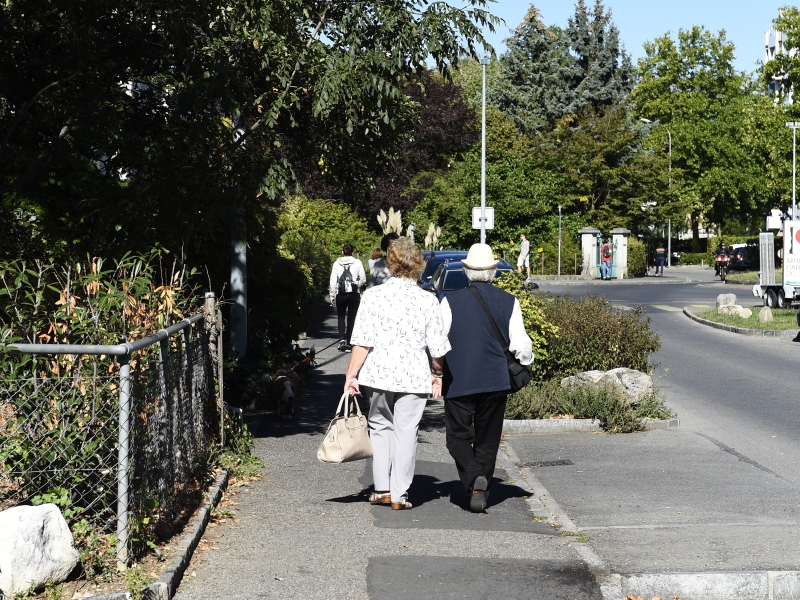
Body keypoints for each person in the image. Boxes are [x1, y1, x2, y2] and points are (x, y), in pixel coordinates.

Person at [344, 237, 451, 510]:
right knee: (407, 431)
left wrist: (351, 375)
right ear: (418, 264)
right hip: (413, 376)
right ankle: (400, 494)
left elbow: (362, 342)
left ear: (389, 262)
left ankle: (382, 490)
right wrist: (437, 374)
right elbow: (437, 347)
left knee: (379, 427)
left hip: (377, 374)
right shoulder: (428, 300)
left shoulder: (372, 296)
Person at [440, 244, 533, 513]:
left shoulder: (449, 302)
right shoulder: (509, 301)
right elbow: (522, 347)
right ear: (493, 271)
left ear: (466, 271)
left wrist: (436, 372)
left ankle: (473, 476)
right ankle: (480, 490)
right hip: (495, 380)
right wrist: (525, 364)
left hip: (459, 379)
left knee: (457, 437)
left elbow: (437, 341)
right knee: (488, 440)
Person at [329, 244, 366, 352]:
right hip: (354, 294)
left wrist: (332, 295)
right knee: (351, 318)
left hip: (341, 294)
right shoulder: (357, 262)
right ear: (353, 252)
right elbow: (363, 279)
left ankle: (341, 340)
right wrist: (356, 284)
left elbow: (332, 282)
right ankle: (349, 342)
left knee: (341, 317)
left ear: (342, 252)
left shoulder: (336, 263)